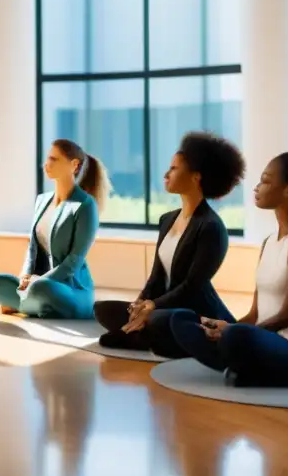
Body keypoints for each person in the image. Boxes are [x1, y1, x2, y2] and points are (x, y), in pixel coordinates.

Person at [169, 152, 288, 387]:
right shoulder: (269, 242)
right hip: (271, 343)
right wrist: (223, 329)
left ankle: (243, 365)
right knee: (180, 320)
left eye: (265, 181)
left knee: (235, 337)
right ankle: (245, 366)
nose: (257, 187)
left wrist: (231, 331)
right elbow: (255, 315)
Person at [93, 132, 244, 356]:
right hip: (164, 307)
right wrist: (140, 304)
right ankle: (149, 334)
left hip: (194, 310)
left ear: (196, 177)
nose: (166, 173)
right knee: (102, 309)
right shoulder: (167, 220)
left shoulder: (211, 227)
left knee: (161, 318)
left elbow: (193, 286)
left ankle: (153, 335)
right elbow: (156, 276)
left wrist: (152, 307)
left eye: (174, 168)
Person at [0, 139, 108, 319]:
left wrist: (38, 281)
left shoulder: (86, 205)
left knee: (43, 288)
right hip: (36, 284)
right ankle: (35, 305)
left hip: (67, 287)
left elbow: (74, 261)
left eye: (54, 159)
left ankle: (25, 304)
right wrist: (25, 276)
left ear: (74, 165)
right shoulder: (42, 200)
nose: (46, 164)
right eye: (47, 158)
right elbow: (32, 248)